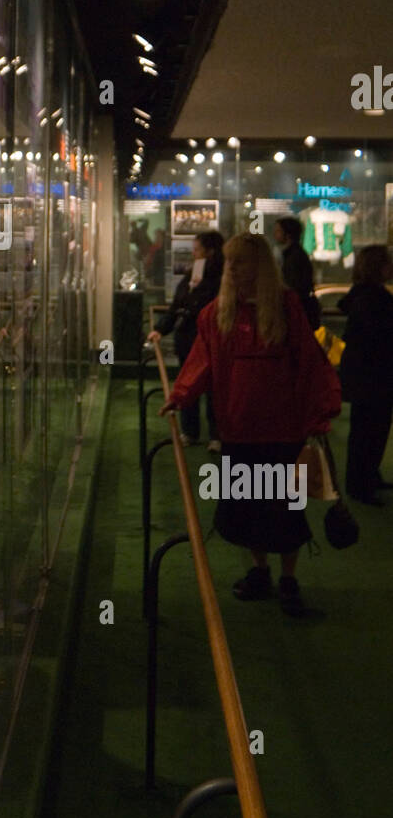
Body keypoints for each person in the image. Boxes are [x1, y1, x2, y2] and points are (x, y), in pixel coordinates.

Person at [161, 234, 341, 616]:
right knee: (246, 508)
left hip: (282, 432)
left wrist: (320, 412)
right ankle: (261, 571)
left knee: (285, 510)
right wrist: (180, 395)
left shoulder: (287, 309)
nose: (233, 269)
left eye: (241, 262)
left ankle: (288, 578)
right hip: (238, 430)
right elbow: (202, 359)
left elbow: (309, 363)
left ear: (259, 266)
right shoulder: (217, 313)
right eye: (230, 262)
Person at [147, 231, 224, 449]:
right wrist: (161, 328)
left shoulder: (220, 279)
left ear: (210, 251)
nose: (193, 253)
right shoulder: (194, 275)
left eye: (197, 249)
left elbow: (188, 306)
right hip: (190, 338)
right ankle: (192, 431)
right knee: (192, 381)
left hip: (208, 339)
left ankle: (214, 434)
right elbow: (178, 306)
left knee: (213, 387)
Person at [338, 245, 393, 507]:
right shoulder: (375, 299)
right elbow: (379, 338)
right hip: (374, 376)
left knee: (365, 430)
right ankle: (362, 483)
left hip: (364, 374)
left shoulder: (362, 296)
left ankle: (365, 477)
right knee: (372, 431)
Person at [273, 217, 320, 329]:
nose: (275, 234)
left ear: (288, 234)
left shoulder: (294, 257)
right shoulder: (295, 254)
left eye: (278, 231)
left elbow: (293, 285)